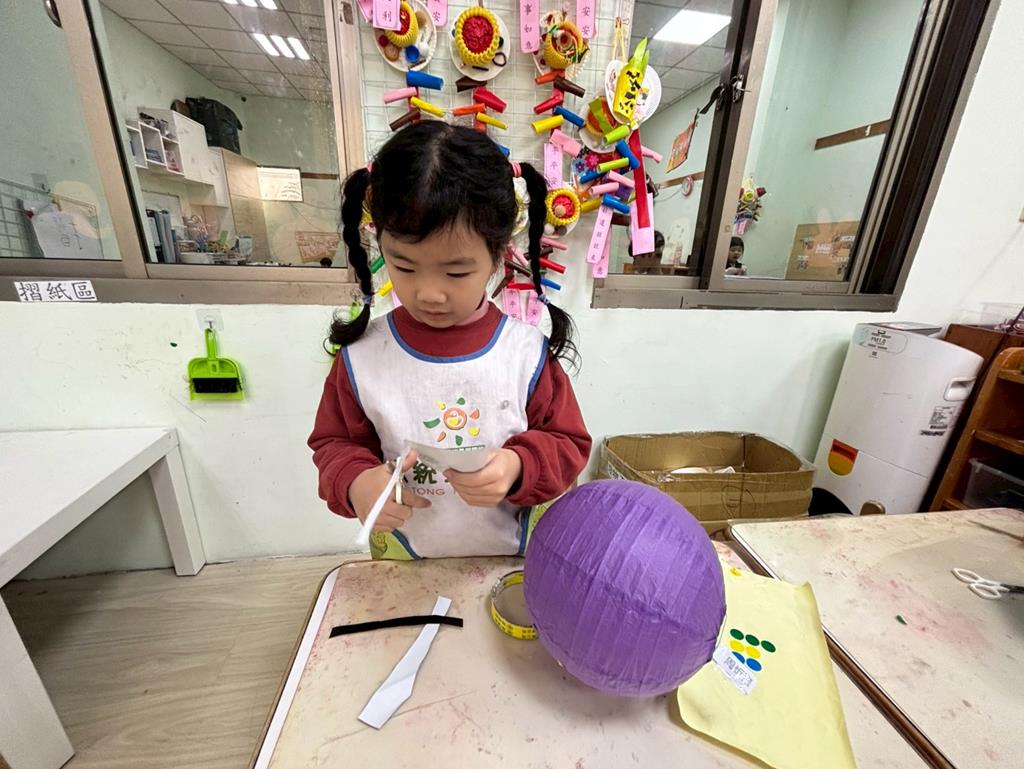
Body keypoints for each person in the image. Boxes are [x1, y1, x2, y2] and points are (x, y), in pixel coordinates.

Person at [308, 122, 592, 560]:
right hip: (404, 559)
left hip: (512, 560)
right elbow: (334, 444)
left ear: (498, 256)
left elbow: (569, 443)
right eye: (404, 267)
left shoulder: (524, 354)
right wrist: (355, 482)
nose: (429, 293)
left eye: (456, 272)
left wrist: (518, 464)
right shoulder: (362, 358)